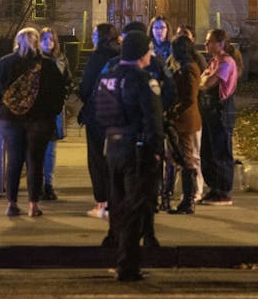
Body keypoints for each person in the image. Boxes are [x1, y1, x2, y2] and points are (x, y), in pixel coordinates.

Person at [97, 30, 164, 281]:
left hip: (112, 147)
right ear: (141, 53)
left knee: (118, 205)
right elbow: (153, 119)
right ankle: (128, 265)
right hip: (136, 150)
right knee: (136, 206)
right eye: (148, 50)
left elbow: (98, 113)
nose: (150, 55)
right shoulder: (143, 80)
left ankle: (118, 258)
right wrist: (157, 151)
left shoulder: (107, 78)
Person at [0, 27, 66, 217]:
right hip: (39, 120)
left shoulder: (3, 64)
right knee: (35, 161)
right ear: (37, 42)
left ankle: (12, 203)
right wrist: (51, 113)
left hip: (10, 120)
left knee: (14, 160)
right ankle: (33, 204)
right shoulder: (48, 66)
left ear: (17, 41)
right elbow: (59, 94)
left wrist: (2, 109)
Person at [79, 23, 121, 219]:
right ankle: (115, 200)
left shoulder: (97, 57)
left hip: (97, 113)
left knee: (96, 158)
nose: (92, 36)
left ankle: (101, 202)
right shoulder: (120, 55)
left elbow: (86, 87)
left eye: (94, 34)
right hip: (118, 114)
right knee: (113, 158)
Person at [199, 28, 240, 206]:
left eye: (210, 41)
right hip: (210, 111)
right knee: (207, 150)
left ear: (221, 43)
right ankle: (214, 188)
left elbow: (207, 83)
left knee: (221, 151)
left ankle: (223, 191)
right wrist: (204, 79)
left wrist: (205, 79)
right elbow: (202, 81)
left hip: (221, 111)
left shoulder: (226, 62)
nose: (206, 44)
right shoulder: (214, 61)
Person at [166, 34, 202, 214]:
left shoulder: (189, 69)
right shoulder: (183, 67)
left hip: (185, 120)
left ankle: (189, 199)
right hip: (181, 119)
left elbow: (188, 97)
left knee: (185, 158)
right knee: (179, 157)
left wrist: (173, 111)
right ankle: (185, 198)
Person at [39, 27, 72, 202]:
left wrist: (62, 97)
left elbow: (68, 81)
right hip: (36, 113)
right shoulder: (34, 60)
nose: (48, 43)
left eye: (51, 40)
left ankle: (48, 185)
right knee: (36, 150)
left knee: (50, 150)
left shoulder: (61, 59)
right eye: (44, 40)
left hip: (53, 111)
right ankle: (37, 184)